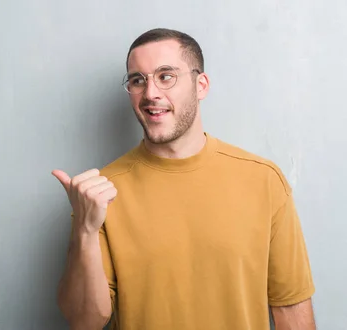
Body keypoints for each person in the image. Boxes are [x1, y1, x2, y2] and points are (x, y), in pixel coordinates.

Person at [52, 28, 316, 330]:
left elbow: (292, 311)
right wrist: (85, 231)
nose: (150, 93)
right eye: (138, 80)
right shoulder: (100, 193)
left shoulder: (264, 181)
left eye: (166, 76)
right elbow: (84, 321)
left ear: (200, 85)